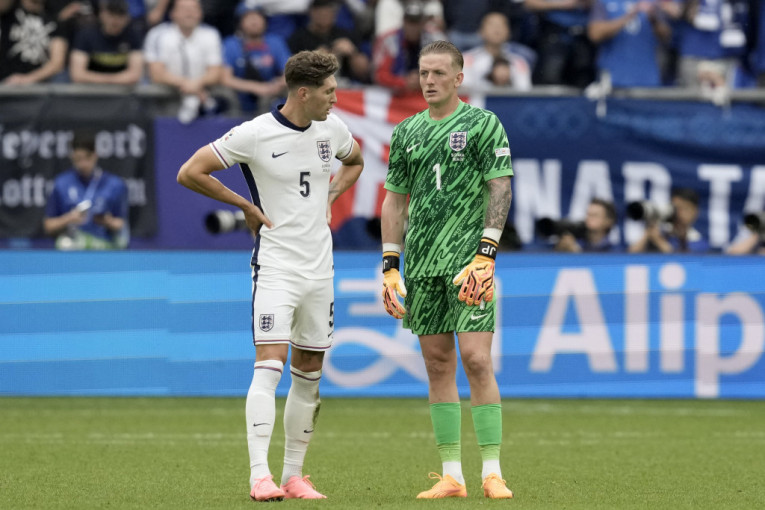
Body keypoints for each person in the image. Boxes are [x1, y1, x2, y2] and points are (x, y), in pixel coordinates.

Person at [176, 50, 364, 502]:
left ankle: (294, 476)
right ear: (303, 93)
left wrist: (331, 194)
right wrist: (244, 204)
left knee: (310, 370)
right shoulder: (255, 133)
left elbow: (355, 161)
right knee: (270, 364)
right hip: (277, 267)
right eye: (329, 91)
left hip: (321, 269)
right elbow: (190, 171)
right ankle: (260, 476)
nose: (335, 98)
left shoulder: (332, 129)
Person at [380, 40, 514, 500]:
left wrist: (486, 253)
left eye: (439, 73)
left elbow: (500, 187)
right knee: (437, 364)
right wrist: (390, 265)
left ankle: (492, 472)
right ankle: (452, 475)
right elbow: (394, 200)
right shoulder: (406, 131)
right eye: (423, 73)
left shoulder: (482, 123)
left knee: (476, 359)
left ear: (459, 78)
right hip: (421, 263)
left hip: (468, 263)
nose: (429, 81)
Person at [44, 131, 129, 250]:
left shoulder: (115, 185)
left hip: (104, 247)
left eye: (87, 158)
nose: (83, 164)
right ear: (72, 156)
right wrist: (69, 218)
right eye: (78, 159)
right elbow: (48, 226)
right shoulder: (61, 183)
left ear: (95, 155)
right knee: (64, 244)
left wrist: (107, 221)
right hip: (72, 246)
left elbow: (121, 224)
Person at [143, 0, 223, 123]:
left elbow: (215, 73)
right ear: (172, 13)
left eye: (193, 9)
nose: (189, 13)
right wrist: (189, 85)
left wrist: (196, 84)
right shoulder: (157, 34)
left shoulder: (211, 34)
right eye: (184, 9)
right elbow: (156, 73)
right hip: (164, 100)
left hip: (202, 99)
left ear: (200, 13)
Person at [587, 0, 677, 88]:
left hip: (647, 77)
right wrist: (630, 15)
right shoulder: (604, 2)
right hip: (613, 77)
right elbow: (595, 34)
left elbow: (667, 37)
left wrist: (654, 19)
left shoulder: (652, 3)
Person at [222, 4, 291, 114]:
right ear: (240, 23)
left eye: (258, 17)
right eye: (248, 18)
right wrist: (255, 87)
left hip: (271, 92)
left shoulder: (275, 42)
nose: (254, 21)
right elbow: (226, 79)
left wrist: (277, 84)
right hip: (241, 94)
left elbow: (289, 73)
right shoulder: (230, 44)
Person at [288, 0, 371, 84]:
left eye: (328, 12)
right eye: (320, 12)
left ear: (334, 14)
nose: (324, 16)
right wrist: (313, 60)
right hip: (313, 85)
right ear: (312, 13)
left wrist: (352, 53)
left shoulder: (345, 35)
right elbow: (292, 74)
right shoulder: (298, 38)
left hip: (345, 84)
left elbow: (364, 72)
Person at [372, 0, 444, 92]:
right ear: (403, 22)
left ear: (423, 24)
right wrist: (403, 82)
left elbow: (447, 70)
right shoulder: (389, 41)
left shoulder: (436, 40)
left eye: (416, 23)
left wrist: (425, 78)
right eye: (410, 22)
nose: (413, 27)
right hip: (395, 94)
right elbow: (379, 75)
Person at [69, 0, 144, 85]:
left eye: (120, 15)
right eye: (111, 15)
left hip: (122, 90)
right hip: (90, 89)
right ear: (102, 15)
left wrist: (104, 80)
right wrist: (111, 80)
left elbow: (134, 75)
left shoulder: (133, 34)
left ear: (127, 17)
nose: (115, 21)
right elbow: (77, 75)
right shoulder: (86, 34)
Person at [524, 0, 597, 88]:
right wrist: (562, 4)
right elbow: (529, 4)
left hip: (584, 38)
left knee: (584, 82)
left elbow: (603, 6)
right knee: (548, 81)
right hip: (554, 35)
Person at [461, 11, 535, 93]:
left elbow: (524, 93)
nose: (497, 29)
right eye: (492, 25)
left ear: (509, 32)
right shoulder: (466, 60)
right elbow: (464, 91)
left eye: (501, 25)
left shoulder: (519, 62)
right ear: (481, 31)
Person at [0, 0, 69, 84]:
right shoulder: (9, 11)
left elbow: (57, 63)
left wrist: (26, 79)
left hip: (37, 87)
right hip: (5, 82)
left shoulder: (54, 21)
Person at [628, 187, 710, 253]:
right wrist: (648, 234)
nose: (677, 213)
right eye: (675, 208)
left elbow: (683, 264)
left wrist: (659, 242)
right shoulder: (661, 233)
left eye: (683, 208)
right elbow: (630, 258)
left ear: (695, 212)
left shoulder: (698, 241)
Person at [554, 198, 618, 252]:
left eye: (595, 215)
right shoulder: (577, 244)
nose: (589, 218)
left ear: (608, 221)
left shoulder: (615, 250)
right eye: (588, 214)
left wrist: (578, 254)